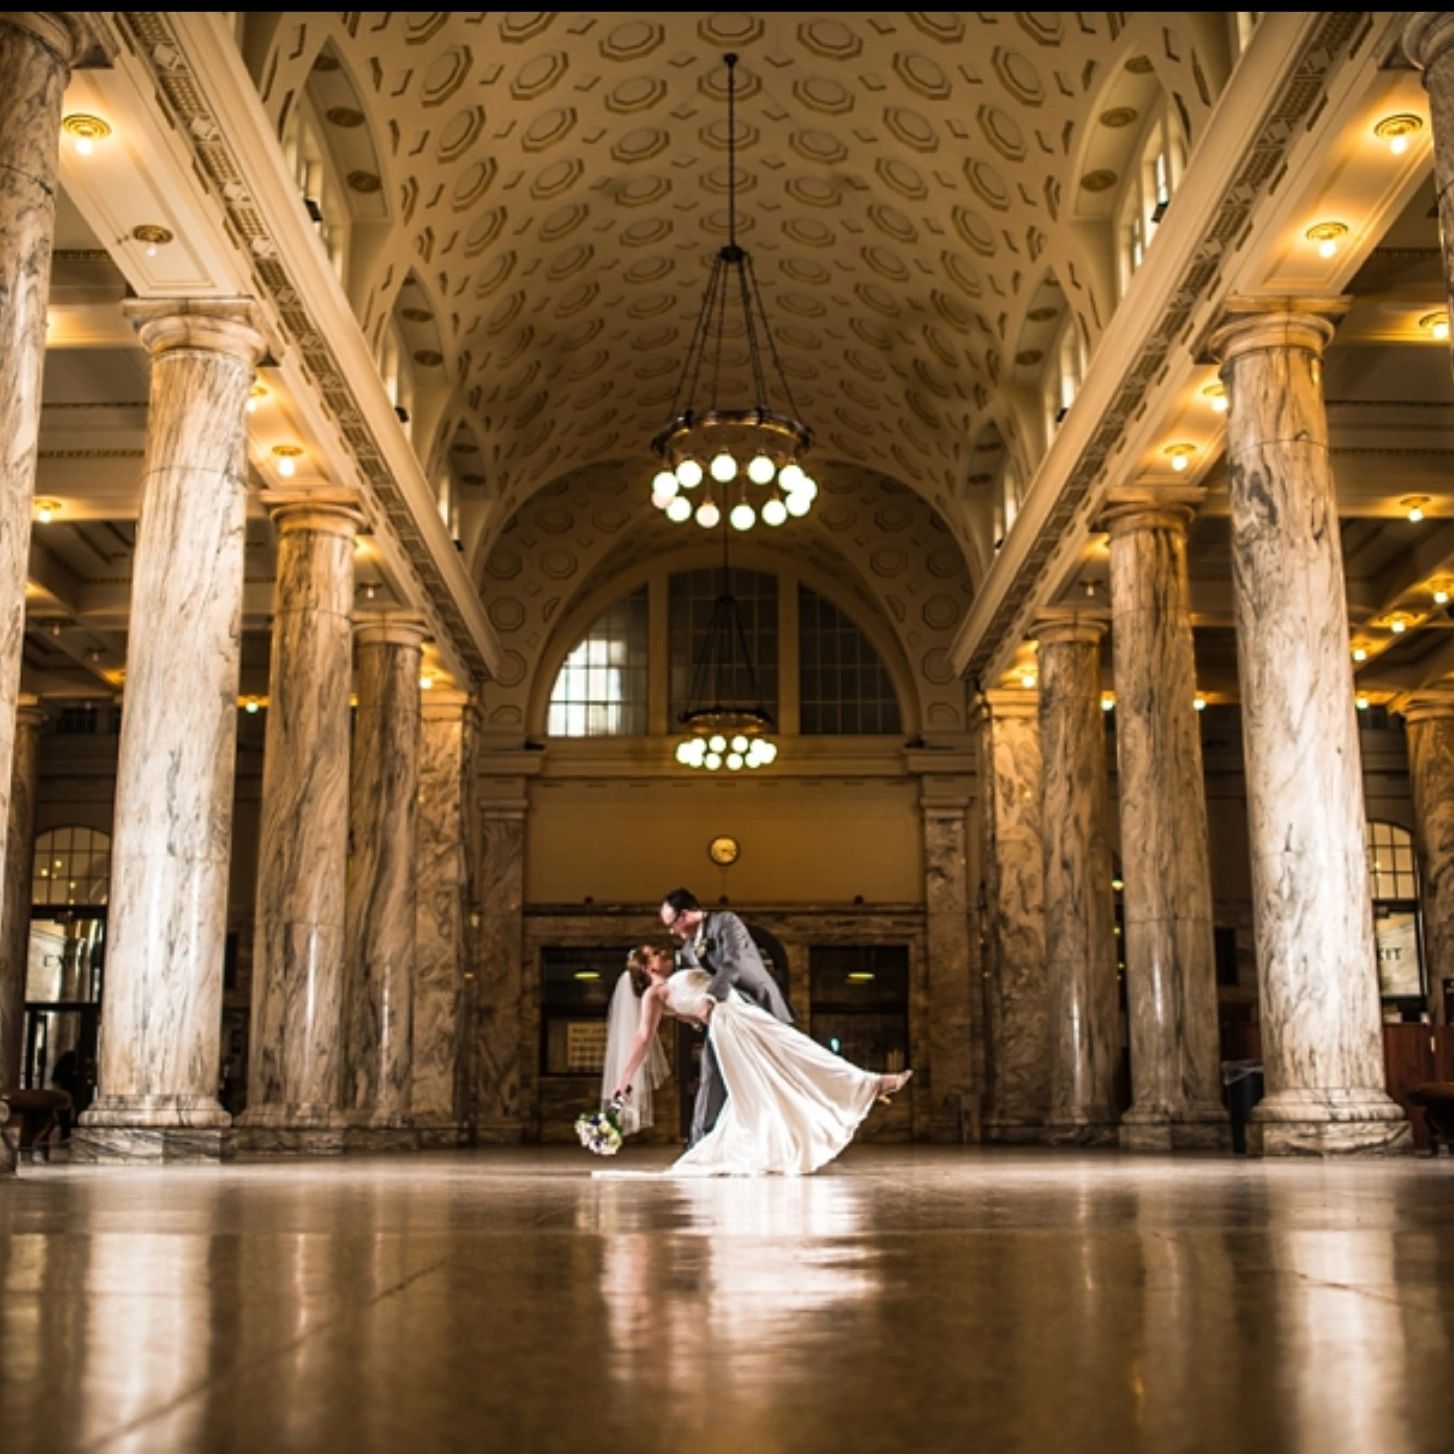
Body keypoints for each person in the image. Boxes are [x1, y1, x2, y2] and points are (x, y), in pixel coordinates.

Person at [606, 945, 911, 1177]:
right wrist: (624, 1080)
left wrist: (697, 1015)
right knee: (782, 1065)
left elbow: (694, 1009)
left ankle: (859, 1088)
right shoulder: (655, 993)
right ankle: (870, 1083)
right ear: (647, 968)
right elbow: (643, 1037)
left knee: (793, 1054)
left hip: (742, 1014)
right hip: (731, 1025)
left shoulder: (676, 979)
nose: (663, 952)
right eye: (655, 954)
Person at [659, 887, 794, 1146]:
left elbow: (733, 962)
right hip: (723, 1020)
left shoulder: (726, 922)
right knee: (711, 1069)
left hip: (758, 1008)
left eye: (671, 925)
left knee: (773, 1078)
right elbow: (696, 982)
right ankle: (699, 1143)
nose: (671, 932)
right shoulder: (687, 952)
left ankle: (781, 1141)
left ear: (684, 915)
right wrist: (691, 1014)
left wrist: (709, 999)